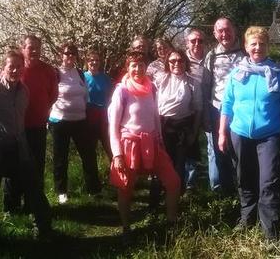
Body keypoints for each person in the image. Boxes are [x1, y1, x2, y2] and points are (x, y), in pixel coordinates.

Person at [218, 26, 280, 240]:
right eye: (253, 43)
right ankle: (247, 218)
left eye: (262, 44)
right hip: (240, 134)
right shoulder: (236, 74)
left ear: (268, 47)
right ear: (246, 46)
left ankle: (270, 230)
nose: (258, 48)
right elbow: (226, 105)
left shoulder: (279, 75)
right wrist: (222, 133)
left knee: (268, 182)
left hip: (270, 135)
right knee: (244, 178)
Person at [0, 50, 52, 239]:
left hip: (18, 145)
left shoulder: (24, 91)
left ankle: (43, 228)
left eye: (18, 67)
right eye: (11, 67)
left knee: (33, 185)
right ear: (4, 68)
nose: (15, 70)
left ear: (23, 68)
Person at [108, 51, 181, 233]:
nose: (138, 69)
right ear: (128, 67)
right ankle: (126, 228)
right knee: (125, 188)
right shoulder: (121, 91)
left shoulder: (152, 88)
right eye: (133, 65)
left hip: (152, 143)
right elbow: (113, 126)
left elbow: (155, 117)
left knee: (173, 182)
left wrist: (160, 141)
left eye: (141, 65)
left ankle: (172, 224)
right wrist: (117, 155)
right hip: (129, 146)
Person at [3, 35, 58, 211]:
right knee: (13, 166)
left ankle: (32, 204)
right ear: (23, 48)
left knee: (36, 167)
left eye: (37, 48)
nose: (34, 51)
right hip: (16, 128)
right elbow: (3, 91)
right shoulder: (15, 69)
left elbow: (53, 95)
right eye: (30, 47)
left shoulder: (48, 70)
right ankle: (12, 207)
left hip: (38, 127)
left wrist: (41, 110)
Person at [49, 43, 102, 204]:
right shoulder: (56, 73)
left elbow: (85, 95)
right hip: (60, 122)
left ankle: (94, 190)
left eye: (73, 54)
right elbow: (49, 95)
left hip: (80, 120)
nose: (70, 56)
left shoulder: (79, 73)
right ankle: (61, 191)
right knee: (61, 158)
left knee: (88, 155)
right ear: (61, 55)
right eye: (67, 53)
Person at [149, 48, 202, 206]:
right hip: (162, 126)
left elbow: (198, 110)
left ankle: (174, 203)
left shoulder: (193, 83)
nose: (176, 63)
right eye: (172, 61)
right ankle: (154, 203)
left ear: (185, 62)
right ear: (167, 63)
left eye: (180, 60)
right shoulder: (160, 80)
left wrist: (194, 132)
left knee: (178, 167)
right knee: (159, 165)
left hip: (183, 128)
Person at [204, 17, 246, 194]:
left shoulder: (246, 53)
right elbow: (205, 86)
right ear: (215, 34)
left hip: (241, 111)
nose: (224, 34)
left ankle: (243, 188)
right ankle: (226, 192)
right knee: (220, 151)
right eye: (220, 31)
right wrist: (206, 114)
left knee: (241, 151)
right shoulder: (211, 56)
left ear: (234, 30)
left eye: (227, 29)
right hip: (217, 109)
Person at [183, 28, 209, 191]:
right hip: (188, 108)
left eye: (200, 40)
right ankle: (189, 182)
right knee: (189, 144)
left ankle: (217, 181)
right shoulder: (181, 60)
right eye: (193, 41)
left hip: (208, 106)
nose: (197, 44)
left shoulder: (210, 58)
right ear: (187, 43)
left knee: (213, 143)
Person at [84, 49, 113, 160]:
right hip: (89, 116)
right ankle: (93, 176)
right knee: (90, 149)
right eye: (91, 60)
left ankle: (116, 174)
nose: (94, 63)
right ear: (87, 62)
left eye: (97, 60)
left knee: (109, 147)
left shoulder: (105, 78)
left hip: (104, 116)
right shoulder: (83, 77)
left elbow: (111, 95)